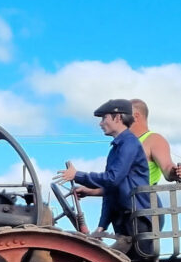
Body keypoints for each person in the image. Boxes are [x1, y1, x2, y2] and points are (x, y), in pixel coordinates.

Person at [57, 99, 149, 254]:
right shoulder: (116, 149)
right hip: (125, 218)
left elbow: (112, 179)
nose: (100, 123)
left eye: (104, 118)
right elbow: (112, 189)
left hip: (138, 218)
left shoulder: (129, 143)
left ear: (118, 117)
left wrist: (77, 175)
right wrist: (102, 226)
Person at [129, 99, 181, 184]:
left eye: (123, 115)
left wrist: (174, 172)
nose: (119, 120)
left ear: (136, 116)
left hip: (142, 196)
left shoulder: (154, 139)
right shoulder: (124, 142)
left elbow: (167, 166)